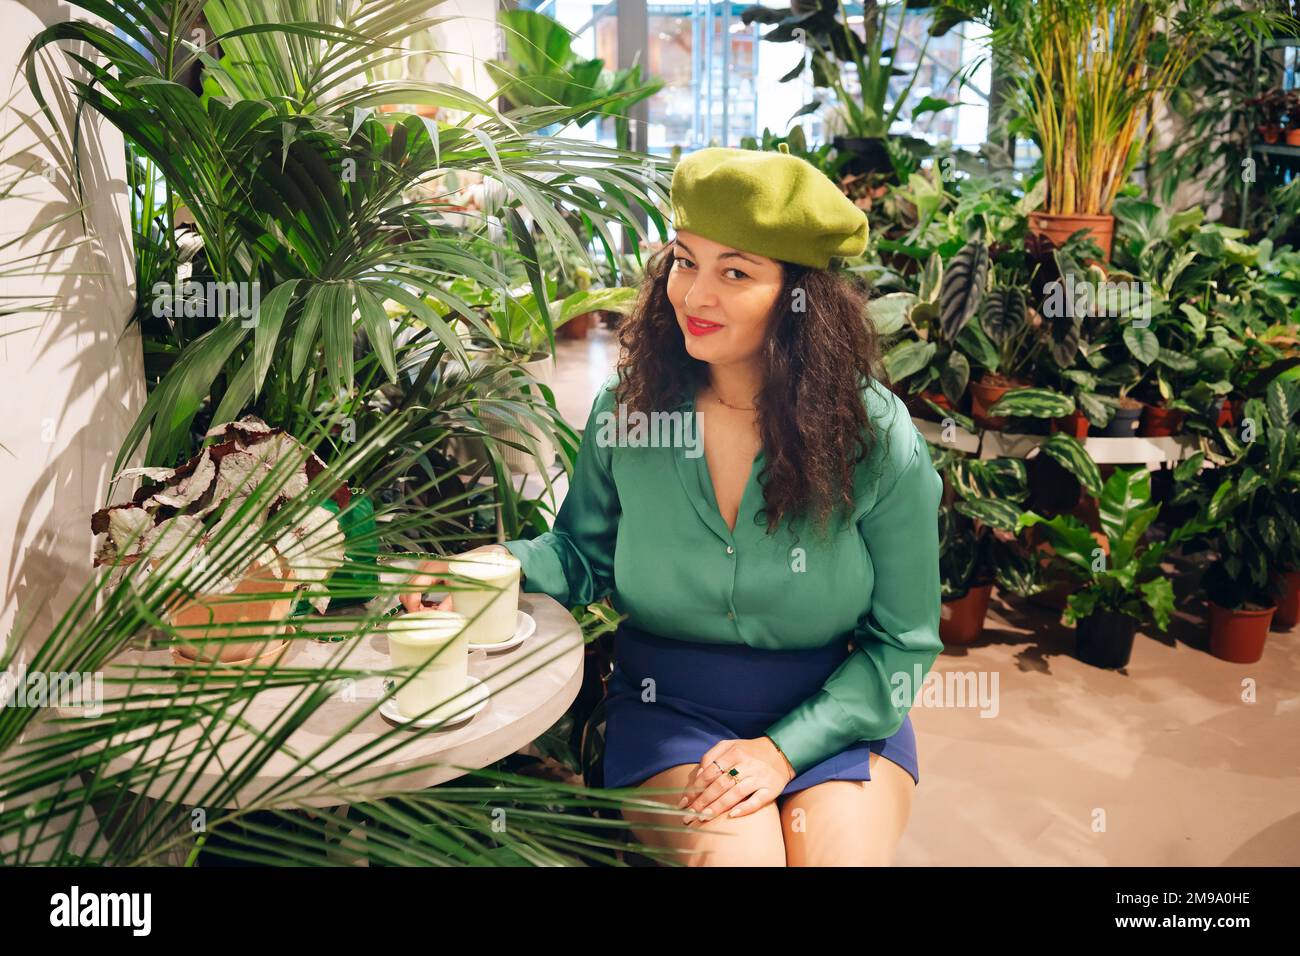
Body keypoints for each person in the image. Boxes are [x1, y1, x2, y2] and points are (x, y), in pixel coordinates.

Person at [400, 144, 944, 866]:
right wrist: (496, 564)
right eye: (685, 261)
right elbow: (583, 555)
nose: (694, 295)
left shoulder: (873, 434)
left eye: (736, 272)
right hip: (671, 711)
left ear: (800, 300)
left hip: (842, 711)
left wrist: (784, 751)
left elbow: (905, 644)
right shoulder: (630, 412)